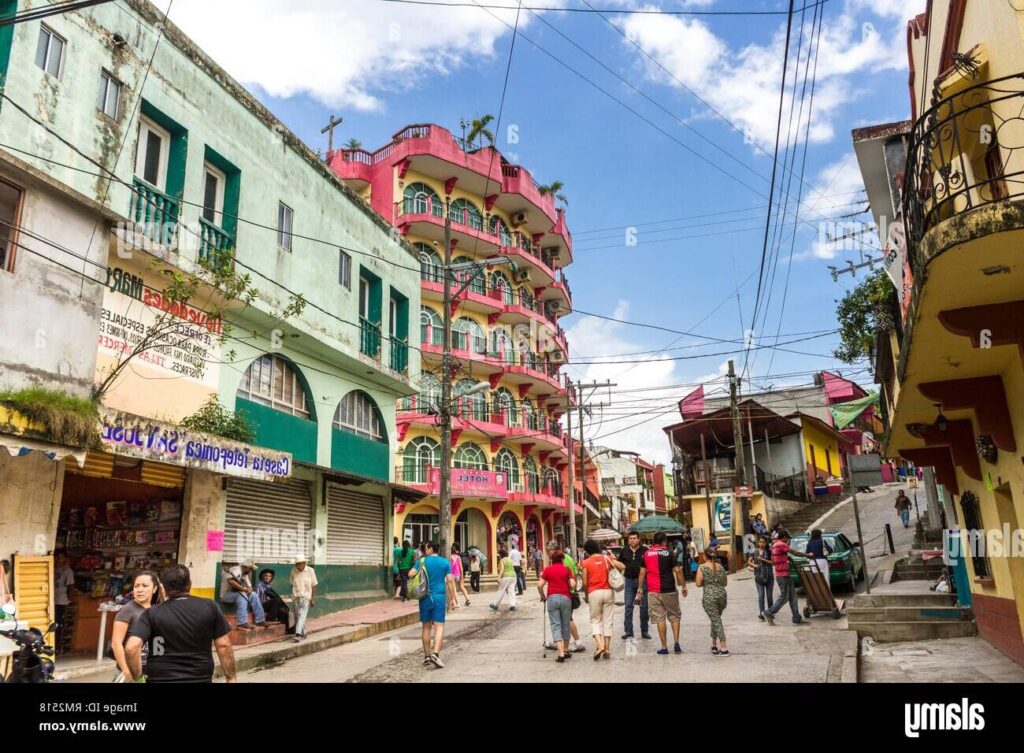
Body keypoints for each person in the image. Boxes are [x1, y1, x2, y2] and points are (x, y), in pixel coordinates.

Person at [126, 564, 236, 683]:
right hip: (199, 679)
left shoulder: (151, 613)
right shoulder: (210, 607)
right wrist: (231, 678)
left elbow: (132, 647)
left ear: (163, 588)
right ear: (190, 584)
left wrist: (137, 677)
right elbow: (224, 645)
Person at [639, 531, 688, 655]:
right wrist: (683, 586)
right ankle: (676, 642)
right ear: (664, 542)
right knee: (674, 616)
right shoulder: (670, 553)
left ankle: (664, 647)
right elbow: (678, 571)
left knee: (660, 618)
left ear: (653, 541)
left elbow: (642, 573)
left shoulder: (646, 554)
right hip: (669, 589)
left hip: (653, 591)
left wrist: (640, 588)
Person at [409, 540, 454, 668]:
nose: (425, 549)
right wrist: (452, 599)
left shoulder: (421, 561)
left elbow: (410, 573)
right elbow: (450, 580)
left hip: (424, 597)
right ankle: (436, 654)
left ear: (429, 548)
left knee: (426, 627)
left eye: (425, 548)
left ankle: (427, 656)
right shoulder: (445, 562)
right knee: (439, 626)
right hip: (439, 597)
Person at [579, 539, 625, 660]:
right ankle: (607, 649)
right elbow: (622, 566)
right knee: (608, 621)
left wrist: (586, 595)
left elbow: (584, 583)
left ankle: (599, 646)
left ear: (587, 551)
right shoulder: (607, 559)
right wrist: (613, 563)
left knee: (595, 620)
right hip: (608, 592)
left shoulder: (585, 562)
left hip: (594, 592)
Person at [110, 571, 161, 681]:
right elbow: (116, 643)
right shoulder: (128, 610)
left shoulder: (156, 610)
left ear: (155, 589)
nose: (139, 589)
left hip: (150, 670)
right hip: (131, 670)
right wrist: (125, 669)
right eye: (136, 586)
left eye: (145, 586)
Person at [544, 540, 587, 653]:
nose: (547, 553)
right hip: (567, 593)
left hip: (566, 593)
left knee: (567, 619)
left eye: (548, 551)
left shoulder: (563, 560)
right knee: (565, 619)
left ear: (554, 550)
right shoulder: (565, 558)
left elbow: (567, 576)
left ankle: (577, 642)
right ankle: (562, 642)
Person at [763, 531, 813, 626]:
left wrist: (786, 559)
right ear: (784, 537)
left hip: (782, 573)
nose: (788, 540)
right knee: (784, 597)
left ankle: (796, 617)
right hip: (782, 574)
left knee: (793, 596)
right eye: (787, 538)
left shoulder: (775, 545)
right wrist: (808, 555)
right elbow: (795, 552)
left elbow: (777, 559)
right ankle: (769, 612)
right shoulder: (781, 544)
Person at [537, 548, 576, 662]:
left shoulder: (548, 569)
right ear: (562, 559)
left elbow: (539, 585)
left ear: (552, 560)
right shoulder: (567, 569)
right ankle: (566, 649)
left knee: (555, 625)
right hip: (566, 598)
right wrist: (570, 585)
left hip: (552, 598)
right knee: (566, 623)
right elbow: (573, 584)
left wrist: (543, 596)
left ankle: (560, 653)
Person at [696, 547, 729, 656]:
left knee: (716, 621)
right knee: (716, 619)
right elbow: (725, 583)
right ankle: (714, 645)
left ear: (705, 556)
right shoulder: (721, 567)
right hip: (722, 596)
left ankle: (724, 648)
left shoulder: (702, 567)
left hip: (709, 598)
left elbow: (698, 583)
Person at [617, 531, 650, 639]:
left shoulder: (645, 551)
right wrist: (622, 571)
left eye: (634, 538)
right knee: (628, 606)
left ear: (639, 539)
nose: (632, 540)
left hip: (643, 582)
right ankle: (628, 631)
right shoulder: (624, 551)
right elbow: (619, 563)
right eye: (630, 538)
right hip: (629, 581)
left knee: (644, 607)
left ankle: (644, 631)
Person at [220, 558, 266, 631]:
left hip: (236, 594)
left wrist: (249, 590)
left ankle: (260, 620)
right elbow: (230, 581)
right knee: (241, 594)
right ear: (246, 566)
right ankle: (242, 623)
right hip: (225, 595)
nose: (251, 571)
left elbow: (249, 586)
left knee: (254, 594)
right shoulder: (236, 569)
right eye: (250, 569)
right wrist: (243, 589)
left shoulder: (245, 574)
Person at [290, 556, 317, 642]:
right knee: (298, 617)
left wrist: (313, 598)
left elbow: (314, 585)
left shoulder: (310, 571)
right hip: (296, 597)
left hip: (306, 597)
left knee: (301, 616)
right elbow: (291, 584)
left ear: (304, 563)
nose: (298, 566)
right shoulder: (293, 571)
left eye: (300, 564)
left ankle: (297, 634)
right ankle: (304, 632)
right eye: (297, 564)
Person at [747, 536, 775, 621]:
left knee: (769, 596)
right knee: (761, 595)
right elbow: (749, 561)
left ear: (766, 543)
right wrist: (754, 565)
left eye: (763, 542)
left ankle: (770, 612)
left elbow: (773, 562)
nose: (761, 544)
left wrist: (763, 559)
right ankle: (762, 613)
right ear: (758, 543)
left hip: (769, 577)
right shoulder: (754, 551)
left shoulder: (769, 551)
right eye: (760, 542)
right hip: (759, 577)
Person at [53, 553, 75, 653]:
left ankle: (56, 646)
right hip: (51, 600)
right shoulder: (51, 567)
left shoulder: (67, 570)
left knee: (57, 624)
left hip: (60, 601)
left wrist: (69, 600)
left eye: (59, 558)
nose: (57, 560)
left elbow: (70, 586)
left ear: (64, 559)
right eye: (56, 557)